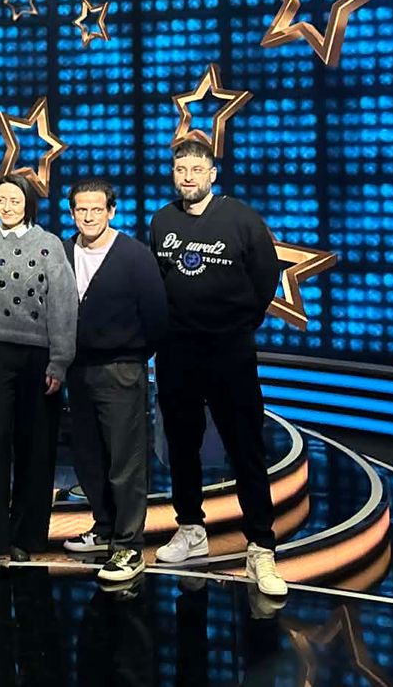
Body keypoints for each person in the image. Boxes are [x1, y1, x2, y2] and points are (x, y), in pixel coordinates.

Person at [151, 138, 287, 598]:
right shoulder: (162, 221)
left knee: (245, 446)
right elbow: (159, 282)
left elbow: (267, 276)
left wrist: (239, 324)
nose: (187, 177)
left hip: (230, 352)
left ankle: (261, 546)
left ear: (212, 174)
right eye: (180, 169)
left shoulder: (242, 218)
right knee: (181, 445)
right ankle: (190, 528)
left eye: (196, 169)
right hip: (177, 352)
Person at [0, 173, 79, 577]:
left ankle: (27, 538)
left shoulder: (49, 245)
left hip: (38, 356)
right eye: (1, 200)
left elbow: (64, 304)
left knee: (36, 447)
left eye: (14, 200)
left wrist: (59, 361)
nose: (7, 207)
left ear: (28, 204)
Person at [60, 179, 168, 585]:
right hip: (76, 369)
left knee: (125, 461)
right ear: (72, 213)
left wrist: (133, 356)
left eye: (96, 209)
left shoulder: (135, 256)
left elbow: (156, 317)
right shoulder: (62, 251)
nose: (88, 217)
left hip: (121, 369)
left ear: (111, 211)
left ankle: (128, 546)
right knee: (88, 456)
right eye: (81, 210)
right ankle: (104, 527)